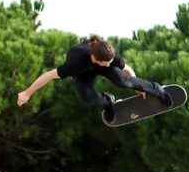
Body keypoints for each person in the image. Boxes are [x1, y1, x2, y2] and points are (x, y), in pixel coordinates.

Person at [17, 35, 172, 122]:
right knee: (87, 97)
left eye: (110, 62)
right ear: (94, 58)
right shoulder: (76, 61)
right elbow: (48, 76)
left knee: (123, 80)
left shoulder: (110, 55)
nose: (108, 65)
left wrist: (138, 86)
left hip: (98, 62)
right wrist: (27, 93)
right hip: (82, 73)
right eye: (105, 63)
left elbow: (127, 70)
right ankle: (108, 101)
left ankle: (158, 90)